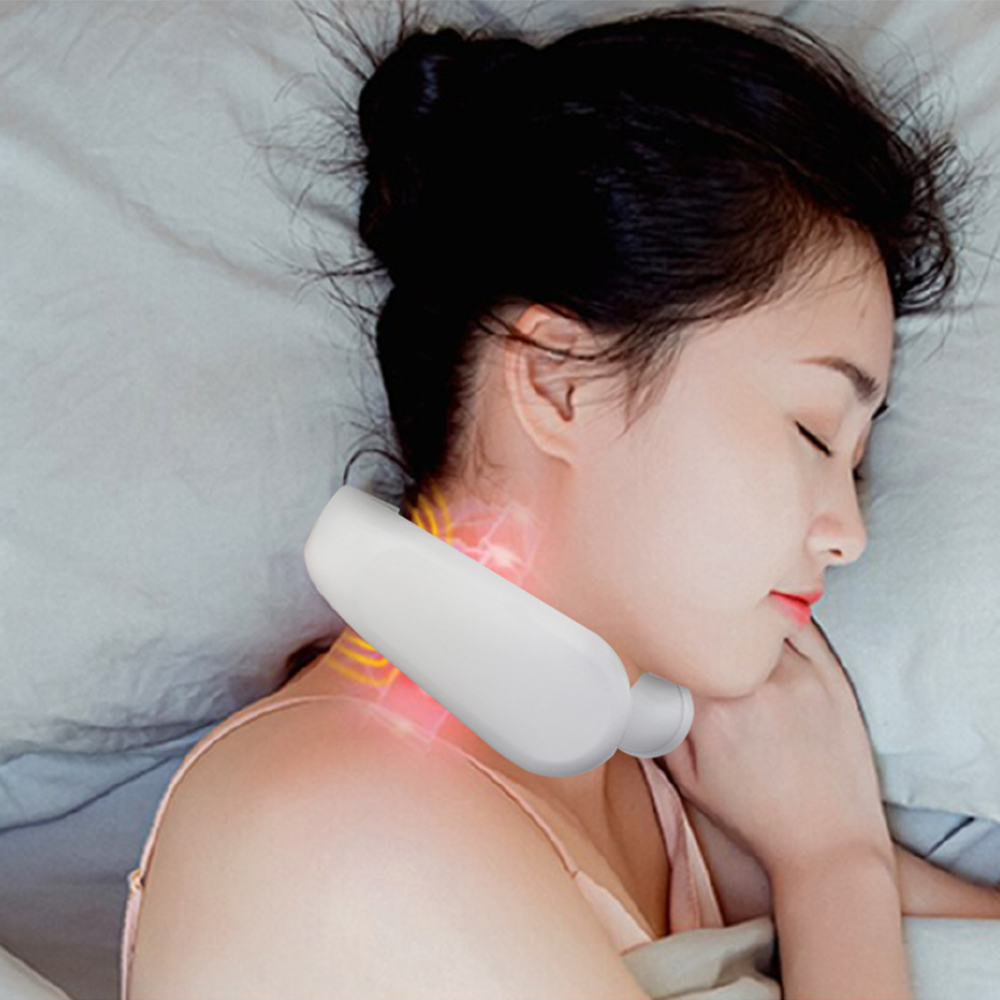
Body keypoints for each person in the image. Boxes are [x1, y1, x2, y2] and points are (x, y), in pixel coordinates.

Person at [123, 3, 985, 998]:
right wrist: (834, 867)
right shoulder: (343, 824)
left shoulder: (662, 774)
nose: (847, 534)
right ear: (557, 383)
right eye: (812, 432)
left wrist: (829, 851)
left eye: (857, 464)